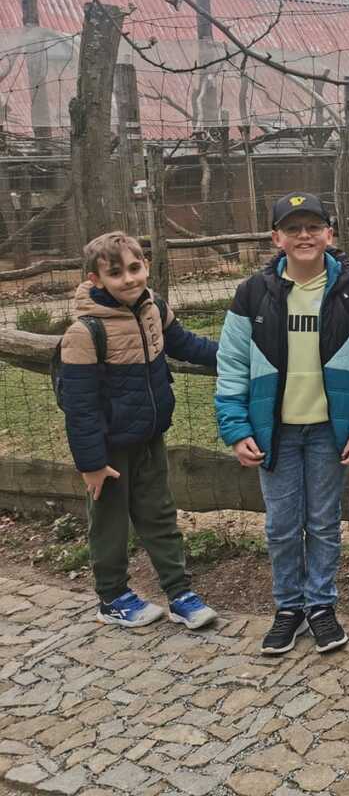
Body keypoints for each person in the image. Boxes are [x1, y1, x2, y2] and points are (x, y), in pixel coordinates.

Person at [215, 193, 349, 655]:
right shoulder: (253, 294)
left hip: (329, 431)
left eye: (313, 227)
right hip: (276, 432)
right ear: (277, 238)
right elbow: (232, 364)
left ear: (329, 233)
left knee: (324, 522)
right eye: (293, 228)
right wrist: (236, 427)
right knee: (281, 525)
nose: (304, 236)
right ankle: (288, 608)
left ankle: (321, 606)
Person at [58, 231, 219, 629]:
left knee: (160, 514)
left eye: (135, 268)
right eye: (116, 273)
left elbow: (186, 345)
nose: (129, 279)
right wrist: (92, 464)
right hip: (109, 449)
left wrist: (234, 355)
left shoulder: (153, 309)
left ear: (146, 266)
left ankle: (179, 592)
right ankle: (112, 597)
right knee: (110, 523)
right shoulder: (85, 333)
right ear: (96, 279)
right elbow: (79, 407)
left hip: (149, 437)